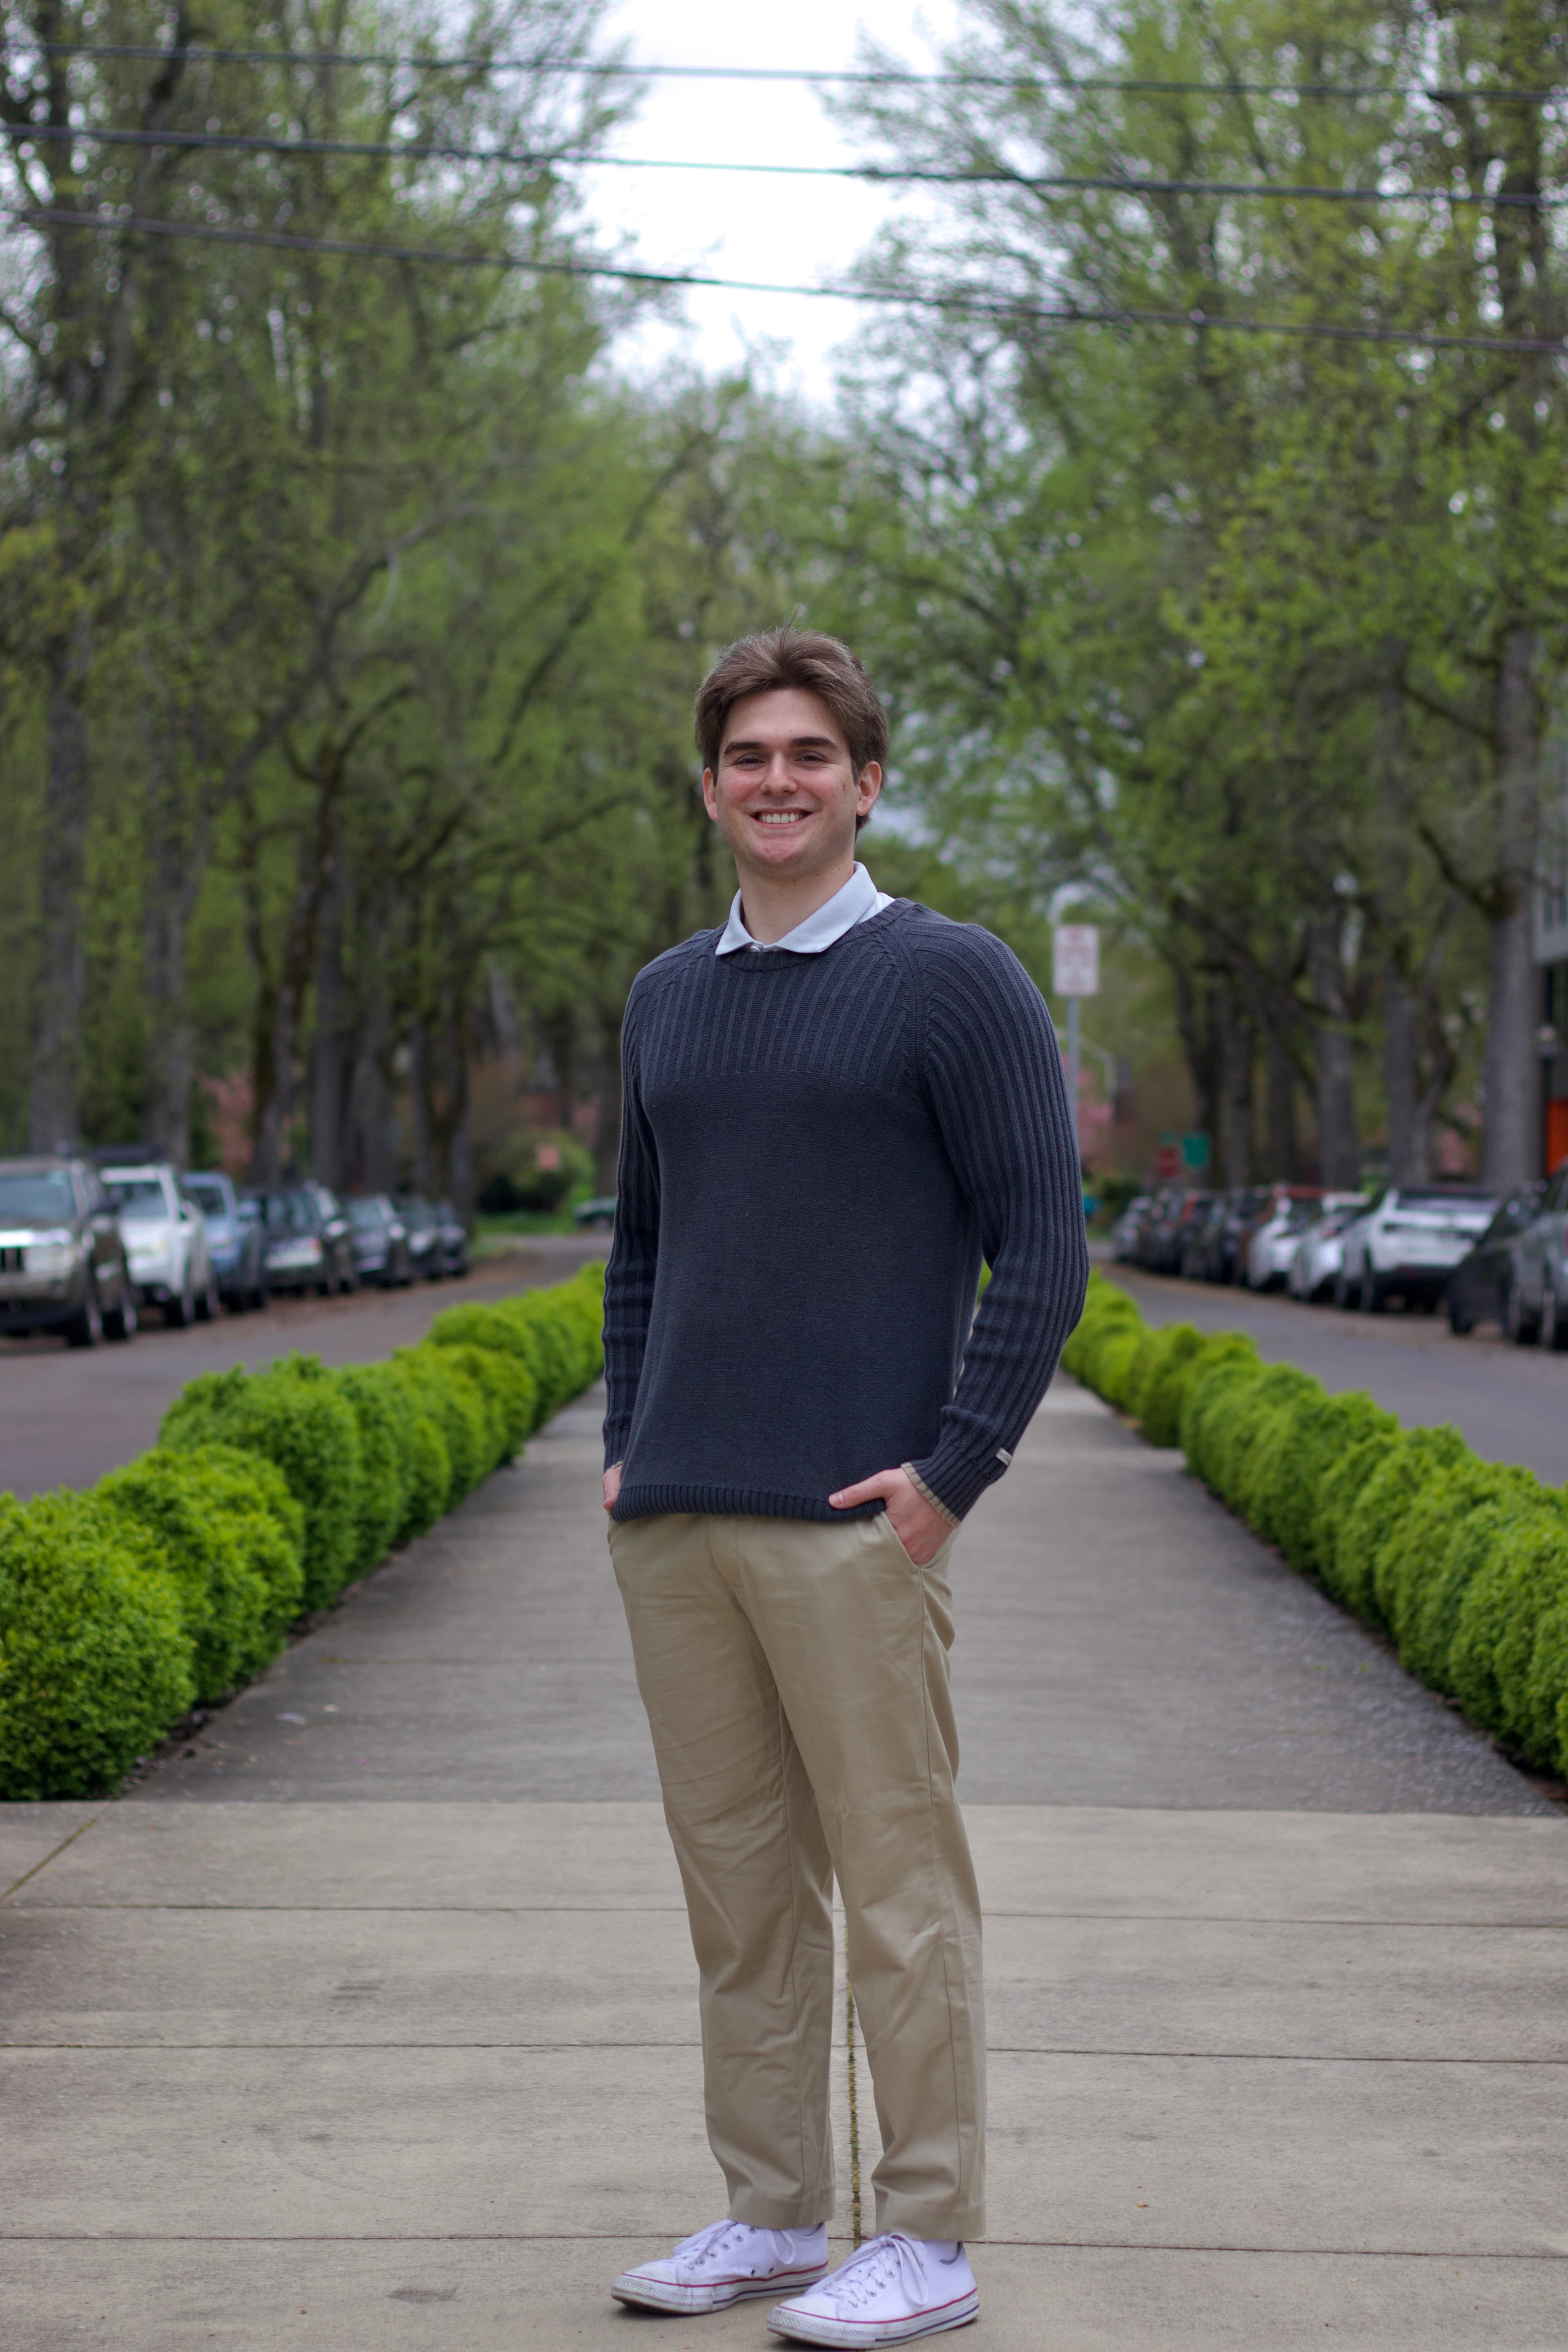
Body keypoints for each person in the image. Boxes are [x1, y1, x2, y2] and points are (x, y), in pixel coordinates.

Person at [601, 627, 1087, 2345]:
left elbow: (1043, 1246)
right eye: (749, 757)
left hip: (854, 1526)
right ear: (713, 785)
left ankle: (931, 2233)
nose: (779, 781)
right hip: (678, 1522)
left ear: (867, 780)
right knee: (737, 1894)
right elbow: (642, 1246)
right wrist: (621, 1445)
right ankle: (775, 2213)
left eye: (812, 754)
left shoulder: (956, 980)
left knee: (897, 1889)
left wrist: (955, 1472)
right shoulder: (668, 998)